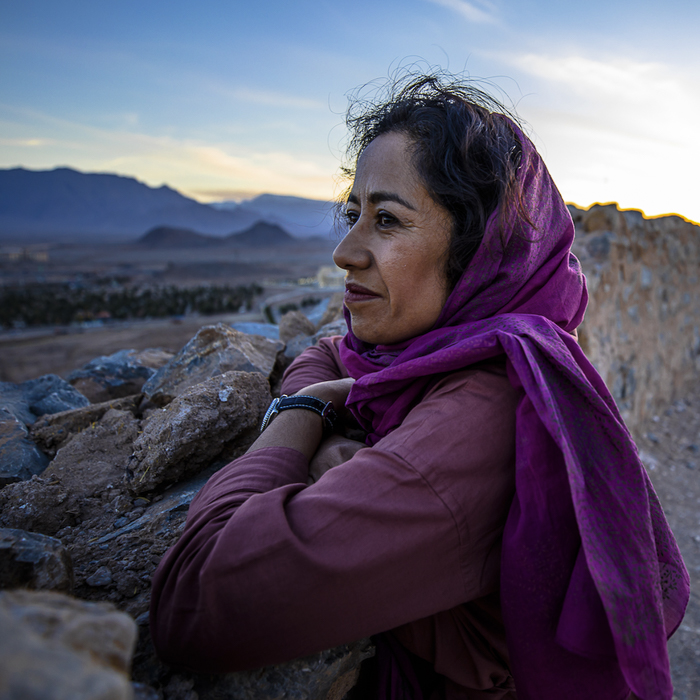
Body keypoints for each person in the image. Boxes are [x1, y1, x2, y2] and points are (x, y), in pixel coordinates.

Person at [149, 72, 689, 699]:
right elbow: (331, 350)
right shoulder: (429, 356)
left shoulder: (474, 422)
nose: (346, 251)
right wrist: (325, 425)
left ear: (480, 248)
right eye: (353, 214)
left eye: (386, 220)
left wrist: (302, 412)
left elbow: (194, 602)